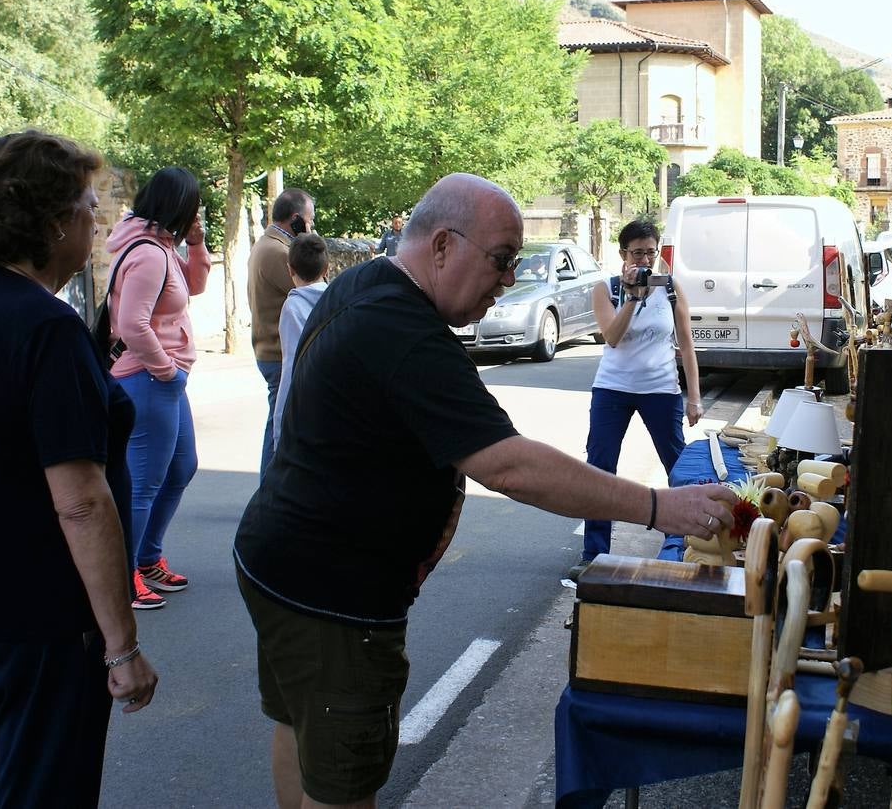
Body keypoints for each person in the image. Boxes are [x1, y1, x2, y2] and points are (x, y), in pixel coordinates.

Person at [233, 173, 734, 809]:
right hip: (335, 594)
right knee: (342, 783)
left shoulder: (367, 285)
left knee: (301, 730)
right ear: (442, 245)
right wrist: (661, 507)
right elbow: (508, 466)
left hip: (279, 563)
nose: (506, 281)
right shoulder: (403, 330)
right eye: (500, 262)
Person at [0, 130, 158, 806]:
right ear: (49, 221)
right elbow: (80, 500)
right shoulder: (43, 327)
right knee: (45, 789)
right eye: (85, 204)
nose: (95, 219)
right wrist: (120, 645)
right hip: (40, 617)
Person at [573, 219, 704, 576]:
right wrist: (632, 298)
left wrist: (694, 397)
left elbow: (687, 345)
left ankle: (683, 541)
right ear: (623, 254)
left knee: (678, 465)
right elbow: (611, 336)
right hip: (612, 389)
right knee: (600, 467)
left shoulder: (672, 288)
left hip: (661, 390)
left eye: (650, 251)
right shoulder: (607, 288)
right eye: (637, 253)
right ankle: (594, 551)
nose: (645, 259)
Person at [105, 166, 211, 610]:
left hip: (163, 378)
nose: (198, 212)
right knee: (144, 482)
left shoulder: (161, 244)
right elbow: (131, 324)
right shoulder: (147, 253)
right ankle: (124, 575)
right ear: (178, 205)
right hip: (149, 378)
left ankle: (146, 558)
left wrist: (196, 241)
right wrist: (166, 369)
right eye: (194, 206)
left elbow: (195, 285)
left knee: (181, 467)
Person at [249, 188, 316, 479]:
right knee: (279, 426)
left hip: (270, 349)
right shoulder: (279, 252)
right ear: (296, 219)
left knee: (277, 422)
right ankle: (270, 488)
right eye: (309, 221)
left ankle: (271, 487)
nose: (312, 227)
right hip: (279, 351)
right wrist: (309, 243)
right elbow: (312, 290)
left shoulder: (267, 244)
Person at [270, 232, 329, 451]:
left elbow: (290, 365)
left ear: (290, 269)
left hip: (306, 400)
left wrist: (279, 430)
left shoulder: (292, 307)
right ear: (326, 269)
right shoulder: (338, 298)